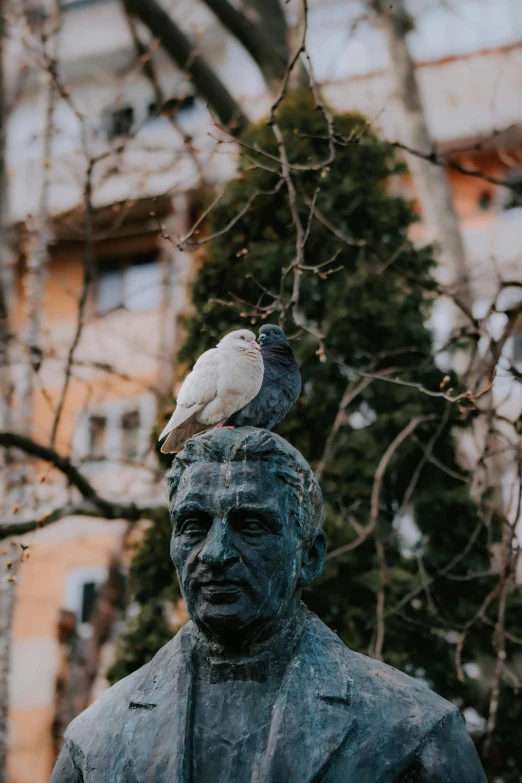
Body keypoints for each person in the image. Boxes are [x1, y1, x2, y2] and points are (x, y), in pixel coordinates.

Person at [50, 427, 486, 783]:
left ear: (309, 556)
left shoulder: (413, 733)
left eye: (251, 525)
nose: (215, 552)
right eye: (193, 525)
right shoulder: (94, 742)